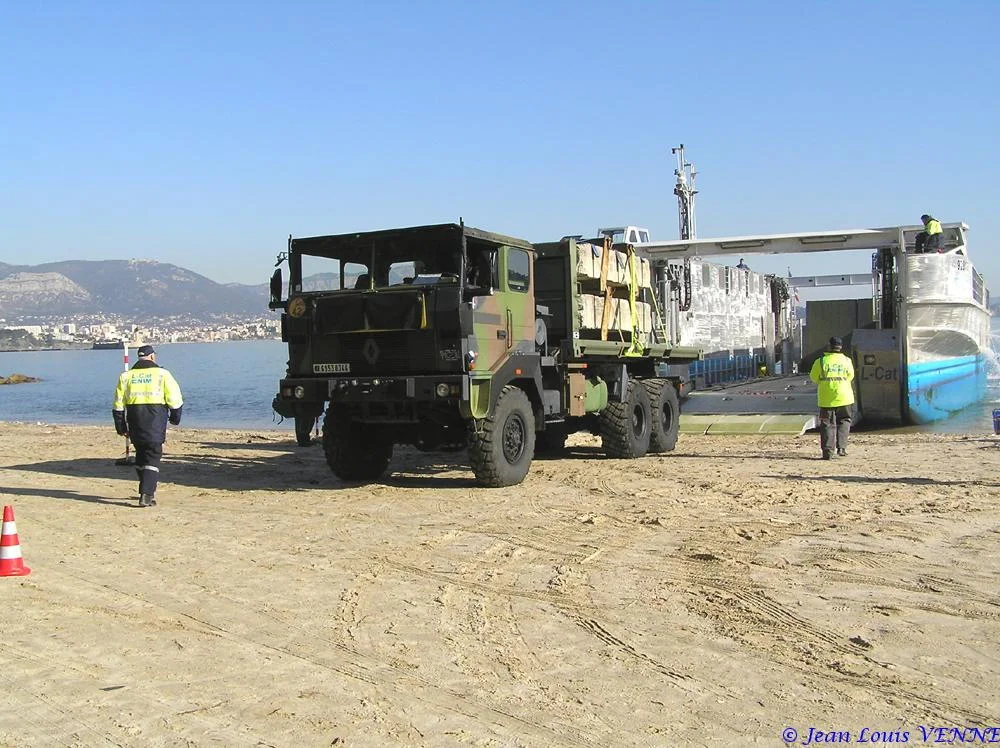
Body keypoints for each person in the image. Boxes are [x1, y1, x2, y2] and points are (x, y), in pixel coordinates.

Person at [112, 345, 184, 507]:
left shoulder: (126, 376)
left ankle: (145, 489)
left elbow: (118, 405)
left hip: (135, 419)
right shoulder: (162, 374)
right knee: (153, 454)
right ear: (152, 357)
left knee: (141, 454)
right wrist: (175, 418)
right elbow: (175, 399)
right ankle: (146, 494)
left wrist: (121, 426)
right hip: (155, 419)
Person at [809, 336, 855, 460]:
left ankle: (828, 451)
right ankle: (842, 448)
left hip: (826, 397)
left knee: (827, 423)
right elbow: (850, 376)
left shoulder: (821, 361)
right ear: (840, 347)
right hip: (845, 396)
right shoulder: (847, 360)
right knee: (844, 420)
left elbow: (813, 377)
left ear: (829, 346)